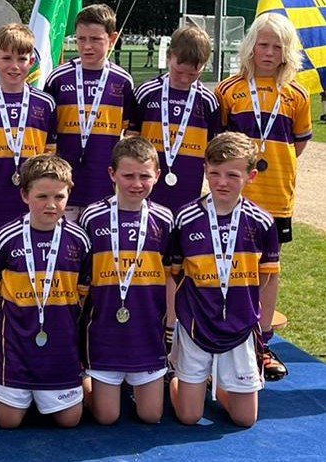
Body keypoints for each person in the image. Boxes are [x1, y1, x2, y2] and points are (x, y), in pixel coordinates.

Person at [214, 13, 311, 381]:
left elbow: (297, 145)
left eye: (277, 47)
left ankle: (262, 344)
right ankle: (227, 340)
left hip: (276, 199)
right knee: (228, 266)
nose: (269, 52)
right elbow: (220, 145)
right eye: (263, 44)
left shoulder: (297, 95)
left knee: (268, 272)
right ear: (250, 46)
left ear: (288, 52)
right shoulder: (229, 91)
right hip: (235, 198)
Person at [169, 131, 280, 428]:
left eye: (233, 175)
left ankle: (218, 384)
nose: (222, 182)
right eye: (215, 173)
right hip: (196, 324)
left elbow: (270, 280)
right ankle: (179, 379)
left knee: (245, 420)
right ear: (205, 170)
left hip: (240, 326)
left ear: (251, 176)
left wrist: (265, 329)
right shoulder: (185, 218)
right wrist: (171, 324)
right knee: (189, 416)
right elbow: (174, 277)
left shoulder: (262, 222)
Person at [0, 154, 89, 429]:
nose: (51, 205)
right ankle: (10, 388)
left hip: (60, 347)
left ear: (69, 194)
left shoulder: (80, 240)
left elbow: (83, 293)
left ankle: (73, 386)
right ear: (24, 195)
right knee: (8, 422)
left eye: (59, 197)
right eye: (42, 196)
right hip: (15, 345)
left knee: (70, 421)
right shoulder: (4, 238)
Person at [128, 25, 220, 340]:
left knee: (178, 265)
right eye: (179, 71)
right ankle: (140, 318)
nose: (185, 78)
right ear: (169, 57)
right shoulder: (146, 93)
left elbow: (213, 151)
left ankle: (173, 324)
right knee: (144, 261)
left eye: (193, 74)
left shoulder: (209, 101)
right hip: (147, 198)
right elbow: (132, 142)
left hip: (186, 200)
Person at [78, 137, 173, 425]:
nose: (136, 184)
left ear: (157, 175)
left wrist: (170, 324)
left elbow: (171, 274)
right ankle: (84, 379)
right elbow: (81, 275)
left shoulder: (165, 219)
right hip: (104, 330)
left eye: (144, 176)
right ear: (112, 174)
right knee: (107, 417)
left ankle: (179, 381)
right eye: (128, 176)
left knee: (151, 415)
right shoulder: (92, 216)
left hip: (146, 330)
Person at [0, 23, 57, 233]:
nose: (14, 66)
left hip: (33, 199)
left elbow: (49, 153)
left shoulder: (46, 104)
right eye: (6, 58)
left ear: (31, 62)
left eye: (22, 59)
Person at [44, 4, 133, 220]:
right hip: (62, 184)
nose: (87, 46)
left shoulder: (123, 82)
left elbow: (131, 135)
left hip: (104, 185)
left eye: (95, 39)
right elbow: (46, 132)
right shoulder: (58, 79)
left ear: (112, 39)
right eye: (81, 39)